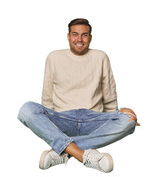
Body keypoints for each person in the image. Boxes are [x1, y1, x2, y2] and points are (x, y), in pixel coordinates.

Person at [18, 18, 140, 173]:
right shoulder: (54, 57)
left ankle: (62, 151)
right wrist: (47, 125)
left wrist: (115, 117)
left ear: (90, 37)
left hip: (93, 119)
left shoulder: (100, 57)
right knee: (26, 109)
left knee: (129, 119)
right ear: (68, 36)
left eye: (84, 35)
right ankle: (84, 155)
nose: (79, 39)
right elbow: (47, 97)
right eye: (75, 34)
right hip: (62, 119)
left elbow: (109, 94)